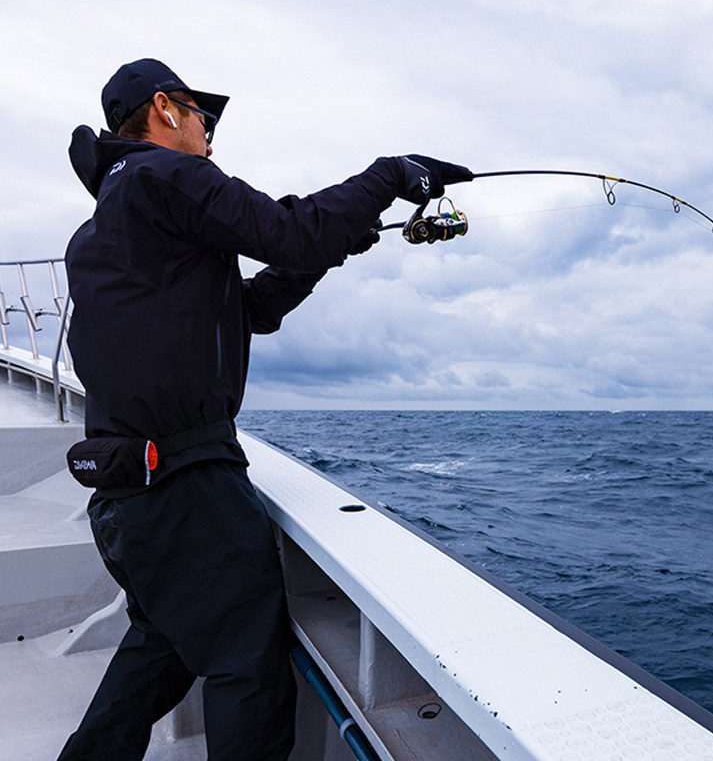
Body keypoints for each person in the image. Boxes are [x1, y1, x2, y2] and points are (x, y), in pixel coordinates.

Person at [57, 58, 472, 761]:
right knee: (246, 665)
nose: (208, 135)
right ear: (164, 109)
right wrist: (391, 175)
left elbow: (243, 311)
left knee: (164, 639)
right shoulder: (167, 175)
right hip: (188, 491)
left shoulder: (104, 225)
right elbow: (293, 231)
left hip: (128, 497)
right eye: (201, 116)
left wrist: (321, 254)